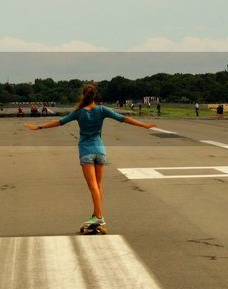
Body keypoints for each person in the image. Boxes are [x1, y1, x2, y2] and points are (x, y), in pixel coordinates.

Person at [25, 82, 155, 230]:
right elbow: (123, 118)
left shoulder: (79, 112)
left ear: (84, 95)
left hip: (86, 152)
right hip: (100, 151)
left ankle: (99, 217)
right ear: (95, 96)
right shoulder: (102, 110)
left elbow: (60, 122)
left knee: (92, 185)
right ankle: (96, 215)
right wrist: (143, 125)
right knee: (98, 185)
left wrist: (38, 127)